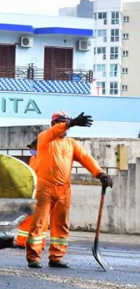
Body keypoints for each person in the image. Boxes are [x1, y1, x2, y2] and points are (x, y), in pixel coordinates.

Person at [27, 111, 112, 269]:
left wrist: (99, 173)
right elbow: (54, 132)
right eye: (61, 122)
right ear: (53, 124)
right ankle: (33, 257)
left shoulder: (71, 144)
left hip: (64, 189)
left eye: (66, 123)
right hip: (45, 188)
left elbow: (86, 158)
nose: (64, 126)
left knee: (61, 224)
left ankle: (56, 257)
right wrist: (70, 122)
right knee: (39, 223)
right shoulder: (44, 137)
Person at [14, 139, 48, 249]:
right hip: (32, 192)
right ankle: (21, 241)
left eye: (32, 148)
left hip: (43, 193)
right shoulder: (33, 159)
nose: (31, 150)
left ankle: (39, 244)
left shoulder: (46, 159)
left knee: (41, 220)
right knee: (26, 218)